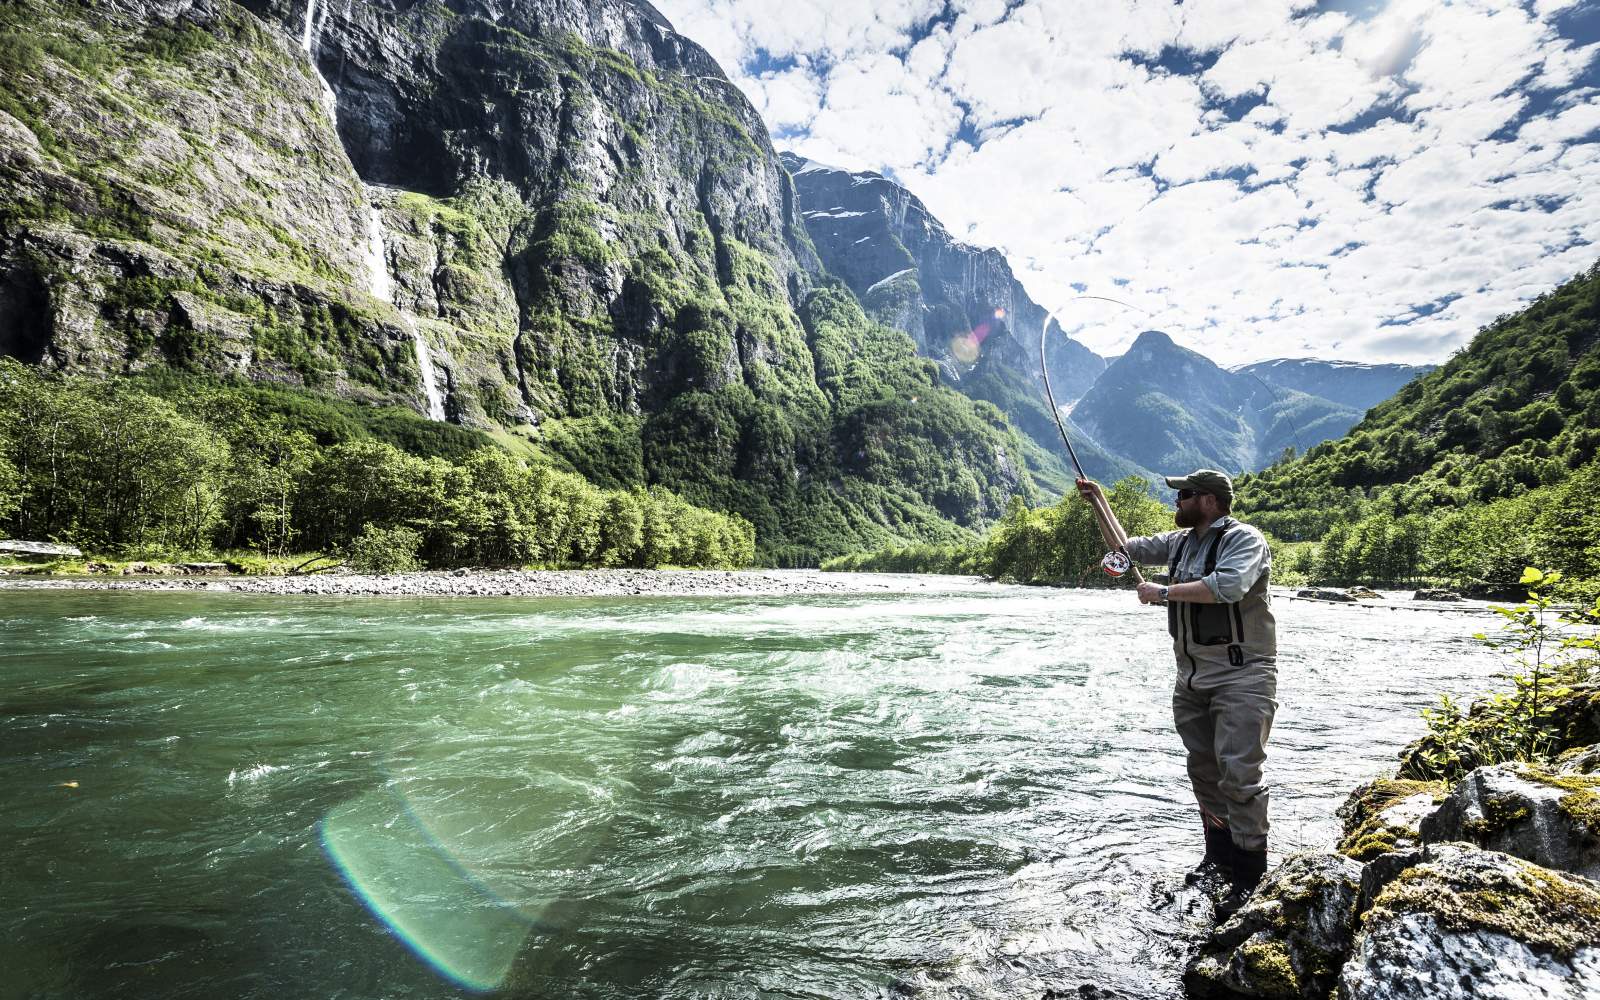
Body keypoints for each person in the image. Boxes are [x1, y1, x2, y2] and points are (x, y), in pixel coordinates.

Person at [1076, 469, 1276, 918]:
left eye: (1183, 495)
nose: (1176, 502)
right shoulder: (1181, 542)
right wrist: (1098, 503)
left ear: (1208, 500)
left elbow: (1227, 587)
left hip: (1243, 676)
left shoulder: (1244, 539)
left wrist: (1162, 592)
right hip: (1191, 678)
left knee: (1239, 775)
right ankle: (1218, 858)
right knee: (1204, 772)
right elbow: (1124, 551)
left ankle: (1249, 876)